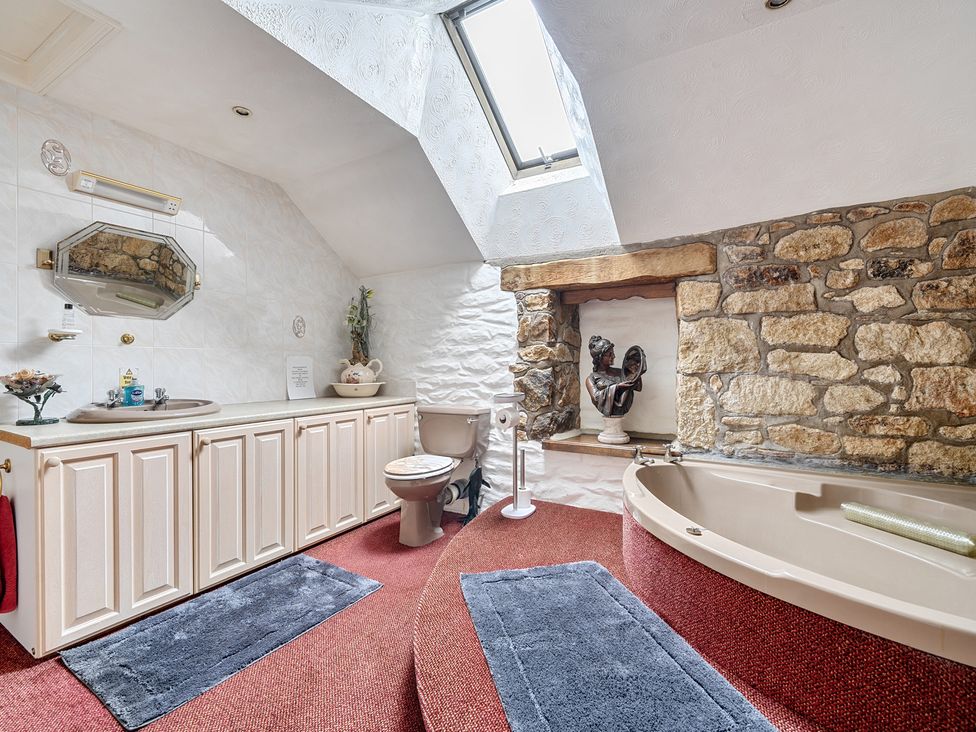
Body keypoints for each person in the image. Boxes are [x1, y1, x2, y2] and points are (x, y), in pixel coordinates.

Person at [584, 336, 646, 418]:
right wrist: (617, 387)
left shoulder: (621, 372)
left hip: (622, 411)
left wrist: (636, 371)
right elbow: (596, 398)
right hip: (610, 415)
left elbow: (638, 387)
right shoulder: (591, 379)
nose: (613, 356)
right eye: (610, 354)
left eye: (613, 353)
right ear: (600, 358)